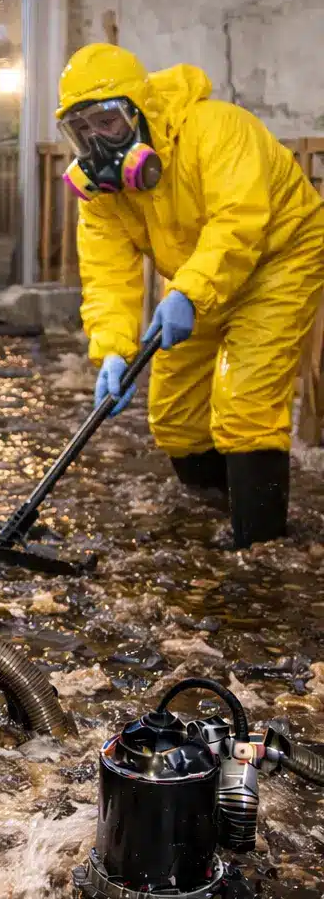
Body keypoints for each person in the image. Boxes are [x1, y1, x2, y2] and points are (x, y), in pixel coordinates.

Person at [58, 43, 324, 549]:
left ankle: (261, 547)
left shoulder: (218, 129)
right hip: (195, 275)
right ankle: (220, 502)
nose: (98, 140)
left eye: (108, 122)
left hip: (278, 256)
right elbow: (107, 274)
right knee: (175, 413)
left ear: (139, 110)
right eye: (82, 129)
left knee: (245, 399)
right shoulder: (104, 194)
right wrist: (112, 348)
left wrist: (190, 292)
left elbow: (238, 222)